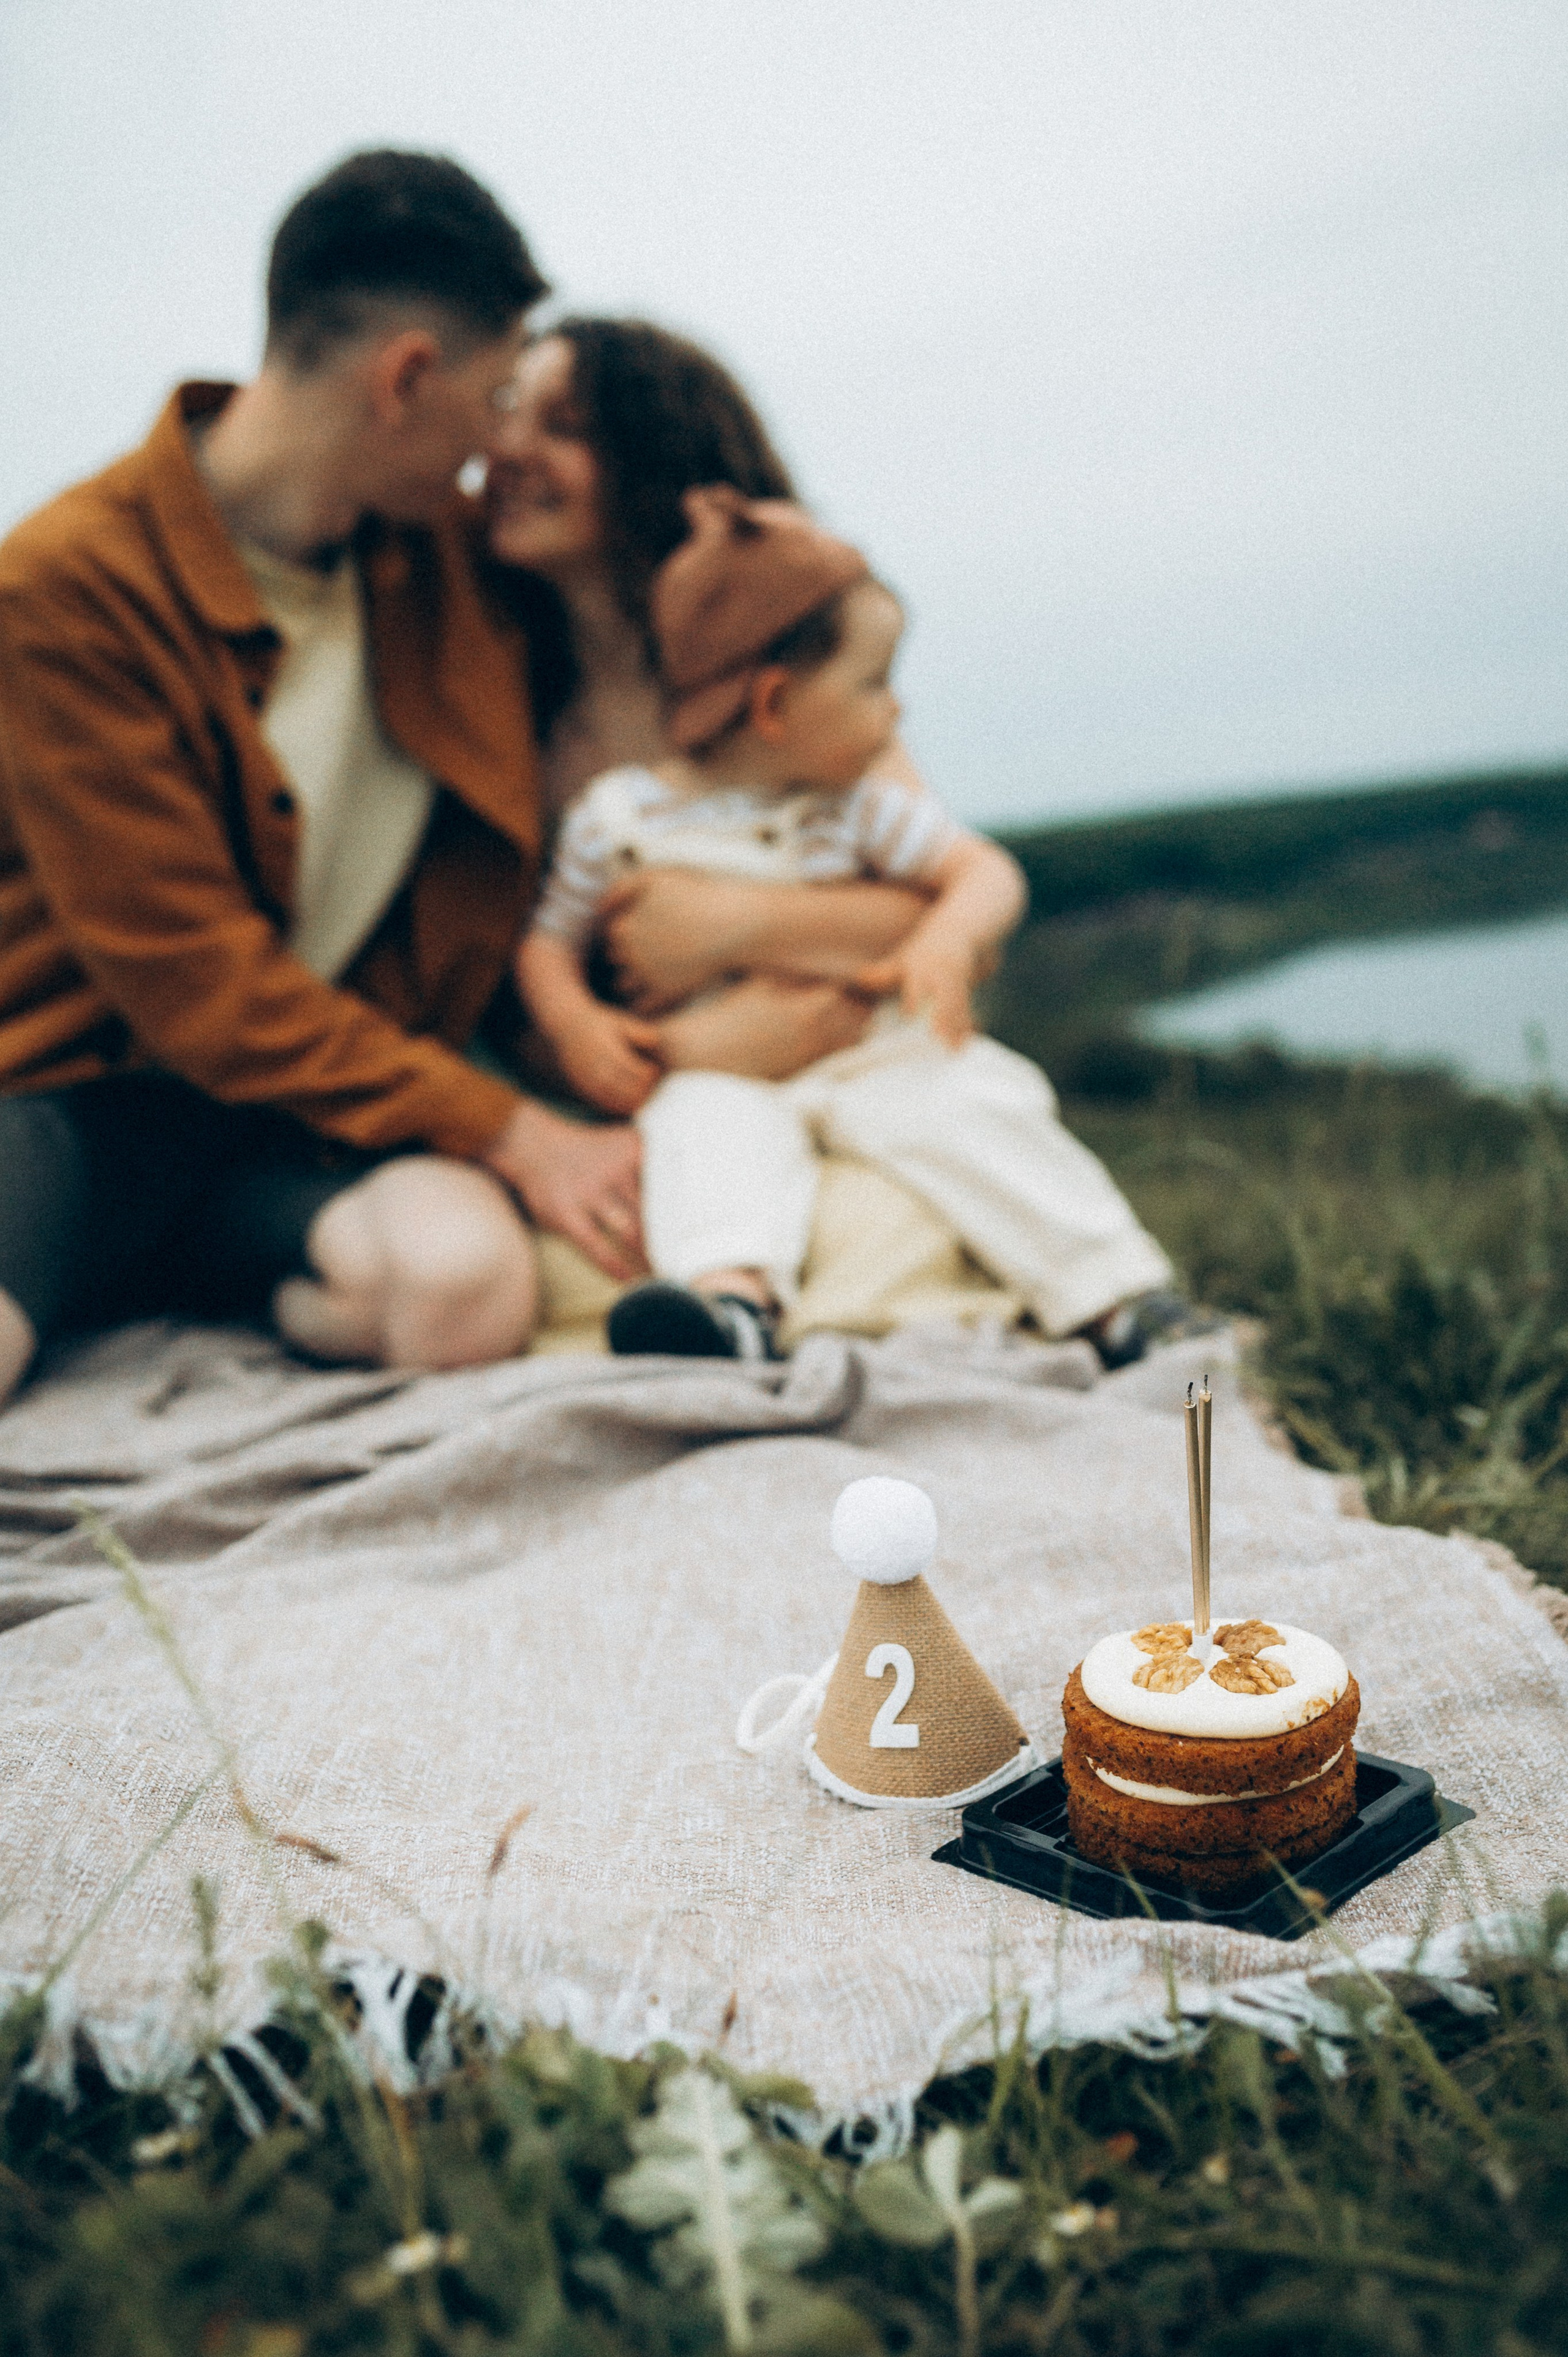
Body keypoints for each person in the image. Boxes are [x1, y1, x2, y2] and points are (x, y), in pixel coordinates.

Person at [0, 151, 648, 1414]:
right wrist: (515, 1128)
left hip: (292, 1130)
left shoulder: (447, 561)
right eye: (495, 392)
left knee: (462, 1289)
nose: (496, 443)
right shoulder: (65, 590)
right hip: (68, 1110)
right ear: (407, 378)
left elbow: (645, 608)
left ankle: (177, 1298)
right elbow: (196, 983)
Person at [516, 487, 1175, 1360]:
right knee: (703, 1139)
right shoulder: (618, 820)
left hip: (875, 1049)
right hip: (725, 1064)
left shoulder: (859, 808)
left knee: (976, 1108)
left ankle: (1116, 1296)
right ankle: (729, 1306)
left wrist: (948, 937)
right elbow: (547, 941)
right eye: (873, 684)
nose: (895, 712)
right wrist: (576, 1022)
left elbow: (984, 871)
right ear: (775, 704)